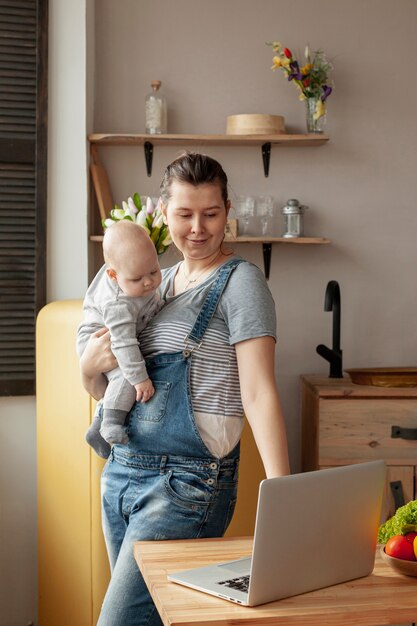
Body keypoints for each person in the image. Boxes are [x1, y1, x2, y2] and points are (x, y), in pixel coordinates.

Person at [79, 152, 290, 626]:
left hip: (185, 485)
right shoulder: (155, 283)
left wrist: (281, 498)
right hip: (121, 472)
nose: (198, 228)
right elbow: (118, 390)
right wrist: (88, 369)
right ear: (163, 214)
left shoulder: (241, 283)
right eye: (185, 214)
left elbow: (258, 393)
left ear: (228, 212)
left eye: (211, 213)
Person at [77, 220, 163, 457]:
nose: (149, 282)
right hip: (102, 339)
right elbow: (123, 343)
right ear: (113, 276)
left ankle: (97, 427)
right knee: (126, 373)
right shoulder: (118, 302)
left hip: (118, 334)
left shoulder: (132, 274)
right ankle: (110, 424)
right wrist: (140, 379)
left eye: (154, 271)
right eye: (137, 279)